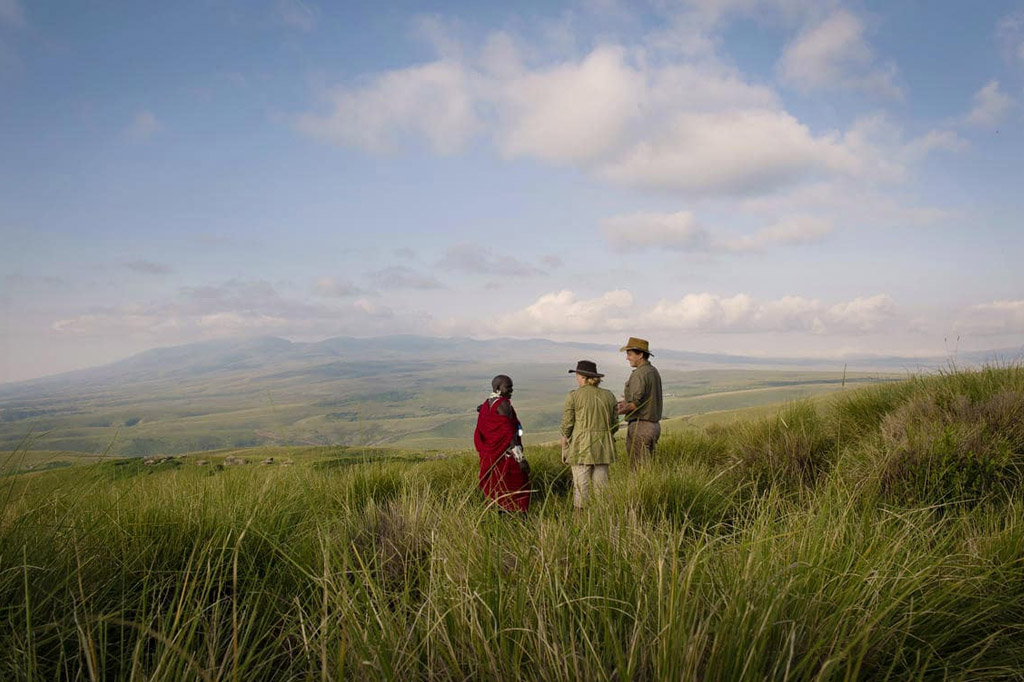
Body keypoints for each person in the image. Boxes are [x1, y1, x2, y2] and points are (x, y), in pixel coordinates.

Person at [561, 360, 619, 509]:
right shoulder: (609, 395)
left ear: (583, 377)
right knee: (602, 490)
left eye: (577, 375)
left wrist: (564, 448)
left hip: (581, 447)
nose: (577, 378)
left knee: (581, 490)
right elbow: (614, 424)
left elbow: (567, 426)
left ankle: (580, 525)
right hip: (603, 447)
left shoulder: (573, 396)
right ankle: (604, 523)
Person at [473, 374, 530, 513]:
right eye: (508, 387)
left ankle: (498, 511)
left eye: (512, 387)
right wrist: (520, 458)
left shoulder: (488, 403)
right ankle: (516, 514)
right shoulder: (503, 404)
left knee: (496, 484)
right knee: (518, 484)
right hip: (506, 455)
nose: (511, 390)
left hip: (492, 455)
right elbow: (508, 432)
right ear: (498, 388)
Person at [616, 337, 663, 469]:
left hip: (641, 426)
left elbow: (635, 404)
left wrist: (616, 411)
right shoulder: (652, 371)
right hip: (653, 426)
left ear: (641, 354)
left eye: (630, 354)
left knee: (638, 469)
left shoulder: (640, 374)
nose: (627, 358)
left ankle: (642, 490)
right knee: (648, 467)